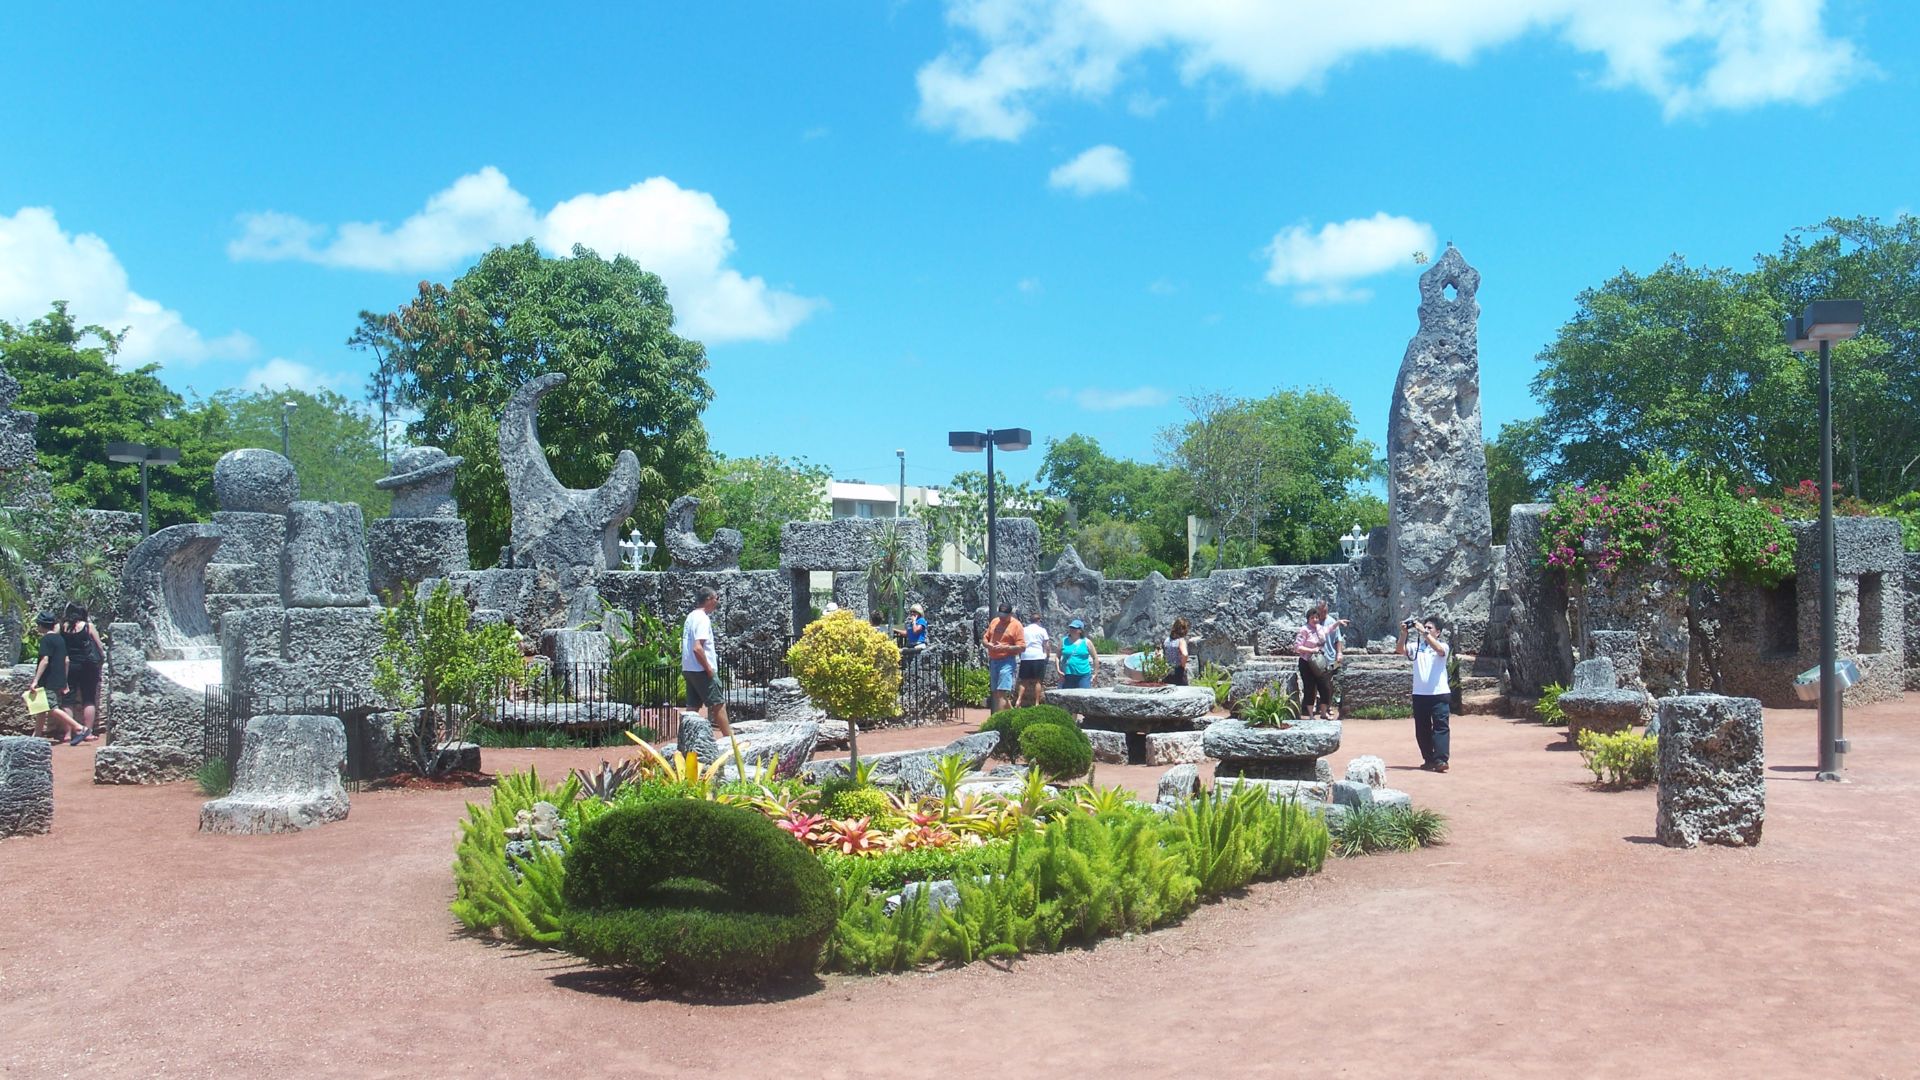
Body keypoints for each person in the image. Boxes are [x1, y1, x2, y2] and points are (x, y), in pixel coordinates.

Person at [1398, 613, 1451, 772]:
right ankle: (1428, 759)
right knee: (1422, 729)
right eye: (1425, 626)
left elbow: (1439, 650)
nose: (1426, 629)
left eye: (1430, 628)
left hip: (1439, 693)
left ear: (1438, 632)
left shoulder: (1443, 646)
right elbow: (1400, 650)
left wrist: (1423, 632)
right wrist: (1403, 633)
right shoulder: (1416, 646)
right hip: (1420, 694)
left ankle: (1441, 760)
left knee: (1440, 727)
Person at [26, 611, 87, 745]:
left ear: (41, 625)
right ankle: (36, 735)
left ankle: (79, 728)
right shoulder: (60, 639)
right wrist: (64, 681)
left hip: (48, 680)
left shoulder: (46, 640)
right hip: (58, 679)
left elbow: (45, 660)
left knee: (51, 707)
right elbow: (66, 660)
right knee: (42, 707)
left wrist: (35, 680)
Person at [681, 588, 732, 737]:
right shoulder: (703, 618)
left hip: (689, 668)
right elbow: (698, 648)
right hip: (701, 670)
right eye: (717, 598)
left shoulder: (691, 616)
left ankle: (686, 739)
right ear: (709, 599)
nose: (717, 601)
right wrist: (709, 669)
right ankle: (730, 740)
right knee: (718, 704)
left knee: (692, 707)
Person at [1292, 601, 1349, 720]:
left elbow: (1330, 629)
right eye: (1312, 618)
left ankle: (1323, 712)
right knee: (1310, 687)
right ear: (1308, 619)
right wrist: (1311, 650)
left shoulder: (1320, 629)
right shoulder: (1304, 630)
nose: (1315, 620)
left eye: (1316, 617)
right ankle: (1311, 715)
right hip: (1307, 662)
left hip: (1320, 661)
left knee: (1325, 687)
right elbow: (1297, 647)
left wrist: (1338, 622)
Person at [61, 603, 106, 736]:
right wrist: (102, 658)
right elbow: (99, 646)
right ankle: (88, 733)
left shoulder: (62, 627)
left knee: (67, 699)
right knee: (88, 698)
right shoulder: (88, 626)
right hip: (88, 665)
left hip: (69, 665)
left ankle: (67, 734)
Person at [981, 602, 1024, 713]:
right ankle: (1014, 714)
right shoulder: (994, 621)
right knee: (996, 693)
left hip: (1007, 661)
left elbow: (1022, 647)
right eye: (1000, 616)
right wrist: (988, 644)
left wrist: (1005, 647)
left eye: (1004, 616)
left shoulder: (1016, 625)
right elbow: (985, 638)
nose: (1002, 619)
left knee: (1001, 692)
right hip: (994, 660)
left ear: (1010, 614)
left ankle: (998, 719)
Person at [1016, 613, 1050, 707]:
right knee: (1038, 681)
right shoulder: (1042, 630)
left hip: (1026, 656)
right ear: (1039, 620)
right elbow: (1046, 645)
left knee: (1023, 681)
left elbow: (1020, 643)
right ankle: (1037, 702)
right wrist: (1047, 655)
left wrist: (1021, 655)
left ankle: (1018, 700)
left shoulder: (1024, 630)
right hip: (1038, 656)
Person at [1057, 619, 1098, 689]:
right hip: (1067, 674)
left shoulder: (1087, 642)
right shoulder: (1063, 641)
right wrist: (1058, 670)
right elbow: (1057, 657)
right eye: (1071, 627)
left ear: (1080, 630)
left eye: (1075, 628)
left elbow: (1095, 657)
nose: (1072, 630)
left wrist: (1095, 673)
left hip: (1083, 674)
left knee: (1084, 694)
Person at [1163, 618, 1191, 685]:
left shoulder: (1166, 640)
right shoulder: (1181, 640)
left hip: (1167, 672)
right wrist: (1182, 666)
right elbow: (1185, 654)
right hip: (1178, 672)